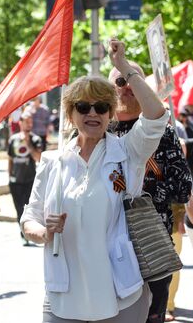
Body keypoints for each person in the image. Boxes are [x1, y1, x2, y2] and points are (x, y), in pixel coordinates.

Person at [21, 38, 168, 322]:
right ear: (70, 113)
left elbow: (156, 116)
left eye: (101, 107)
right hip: (63, 295)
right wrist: (45, 233)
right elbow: (30, 219)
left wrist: (123, 67)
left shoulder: (128, 152)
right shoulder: (53, 162)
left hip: (120, 292)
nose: (92, 113)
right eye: (83, 106)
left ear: (110, 114)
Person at [108, 62, 192, 323]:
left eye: (134, 81)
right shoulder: (98, 131)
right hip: (108, 247)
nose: (128, 88)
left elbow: (183, 188)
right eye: (121, 82)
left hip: (151, 247)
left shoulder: (163, 131)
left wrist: (138, 191)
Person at [8, 111, 43, 245]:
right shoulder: (13, 139)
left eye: (30, 121)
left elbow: (38, 158)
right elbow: (10, 159)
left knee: (29, 209)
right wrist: (9, 176)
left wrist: (28, 143)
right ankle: (23, 233)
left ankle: (30, 233)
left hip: (30, 180)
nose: (28, 124)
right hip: (15, 181)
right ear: (20, 122)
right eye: (26, 121)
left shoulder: (36, 139)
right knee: (18, 209)